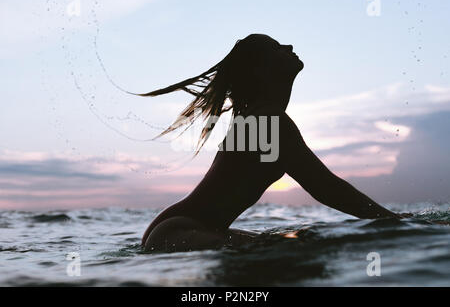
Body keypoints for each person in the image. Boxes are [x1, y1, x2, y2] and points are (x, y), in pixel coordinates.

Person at [132, 34, 401, 252]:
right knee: (297, 250)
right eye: (276, 48)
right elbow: (326, 187)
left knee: (288, 244)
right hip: (181, 232)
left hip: (177, 231)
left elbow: (326, 188)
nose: (289, 46)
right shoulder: (269, 121)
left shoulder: (261, 118)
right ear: (261, 70)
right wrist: (396, 222)